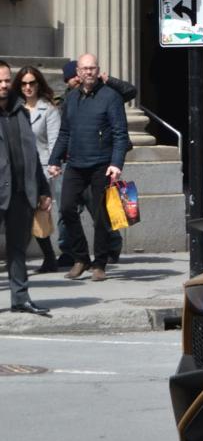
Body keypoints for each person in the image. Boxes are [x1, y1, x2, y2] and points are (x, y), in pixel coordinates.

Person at [47, 54, 129, 282]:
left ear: (98, 70)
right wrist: (54, 160)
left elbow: (120, 133)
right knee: (65, 209)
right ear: (79, 73)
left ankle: (100, 263)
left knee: (102, 217)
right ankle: (81, 258)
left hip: (102, 165)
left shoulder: (111, 97)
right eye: (84, 69)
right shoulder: (71, 98)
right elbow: (64, 133)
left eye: (93, 68)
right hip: (75, 163)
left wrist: (116, 164)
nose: (89, 72)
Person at [0, 60, 54, 314]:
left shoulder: (20, 111)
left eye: (6, 80)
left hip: (21, 192)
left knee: (18, 248)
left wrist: (43, 190)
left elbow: (32, 153)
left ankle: (20, 299)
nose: (3, 85)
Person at [16, 66, 61, 273]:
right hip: (16, 168)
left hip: (40, 168)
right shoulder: (13, 108)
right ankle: (37, 258)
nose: (28, 87)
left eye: (31, 83)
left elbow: (54, 143)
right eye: (24, 83)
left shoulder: (48, 110)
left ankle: (47, 257)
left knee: (36, 214)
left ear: (38, 84)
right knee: (20, 214)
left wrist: (53, 167)